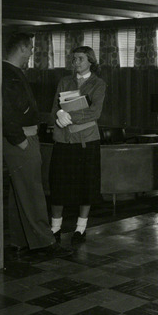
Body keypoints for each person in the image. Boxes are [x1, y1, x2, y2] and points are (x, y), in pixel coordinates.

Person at [2, 33, 72, 258]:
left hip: (23, 137)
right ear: (22, 48)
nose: (32, 53)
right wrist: (20, 140)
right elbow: (5, 112)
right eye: (30, 49)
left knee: (19, 191)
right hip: (21, 139)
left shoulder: (12, 72)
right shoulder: (7, 74)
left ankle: (20, 241)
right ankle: (44, 243)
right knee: (32, 190)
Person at [49, 46, 106, 245]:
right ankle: (55, 227)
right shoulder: (64, 81)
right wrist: (58, 114)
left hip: (86, 141)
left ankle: (80, 228)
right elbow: (54, 107)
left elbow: (95, 112)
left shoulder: (98, 84)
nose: (76, 63)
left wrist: (69, 115)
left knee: (86, 186)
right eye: (74, 59)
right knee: (59, 185)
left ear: (91, 60)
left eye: (80, 59)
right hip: (63, 139)